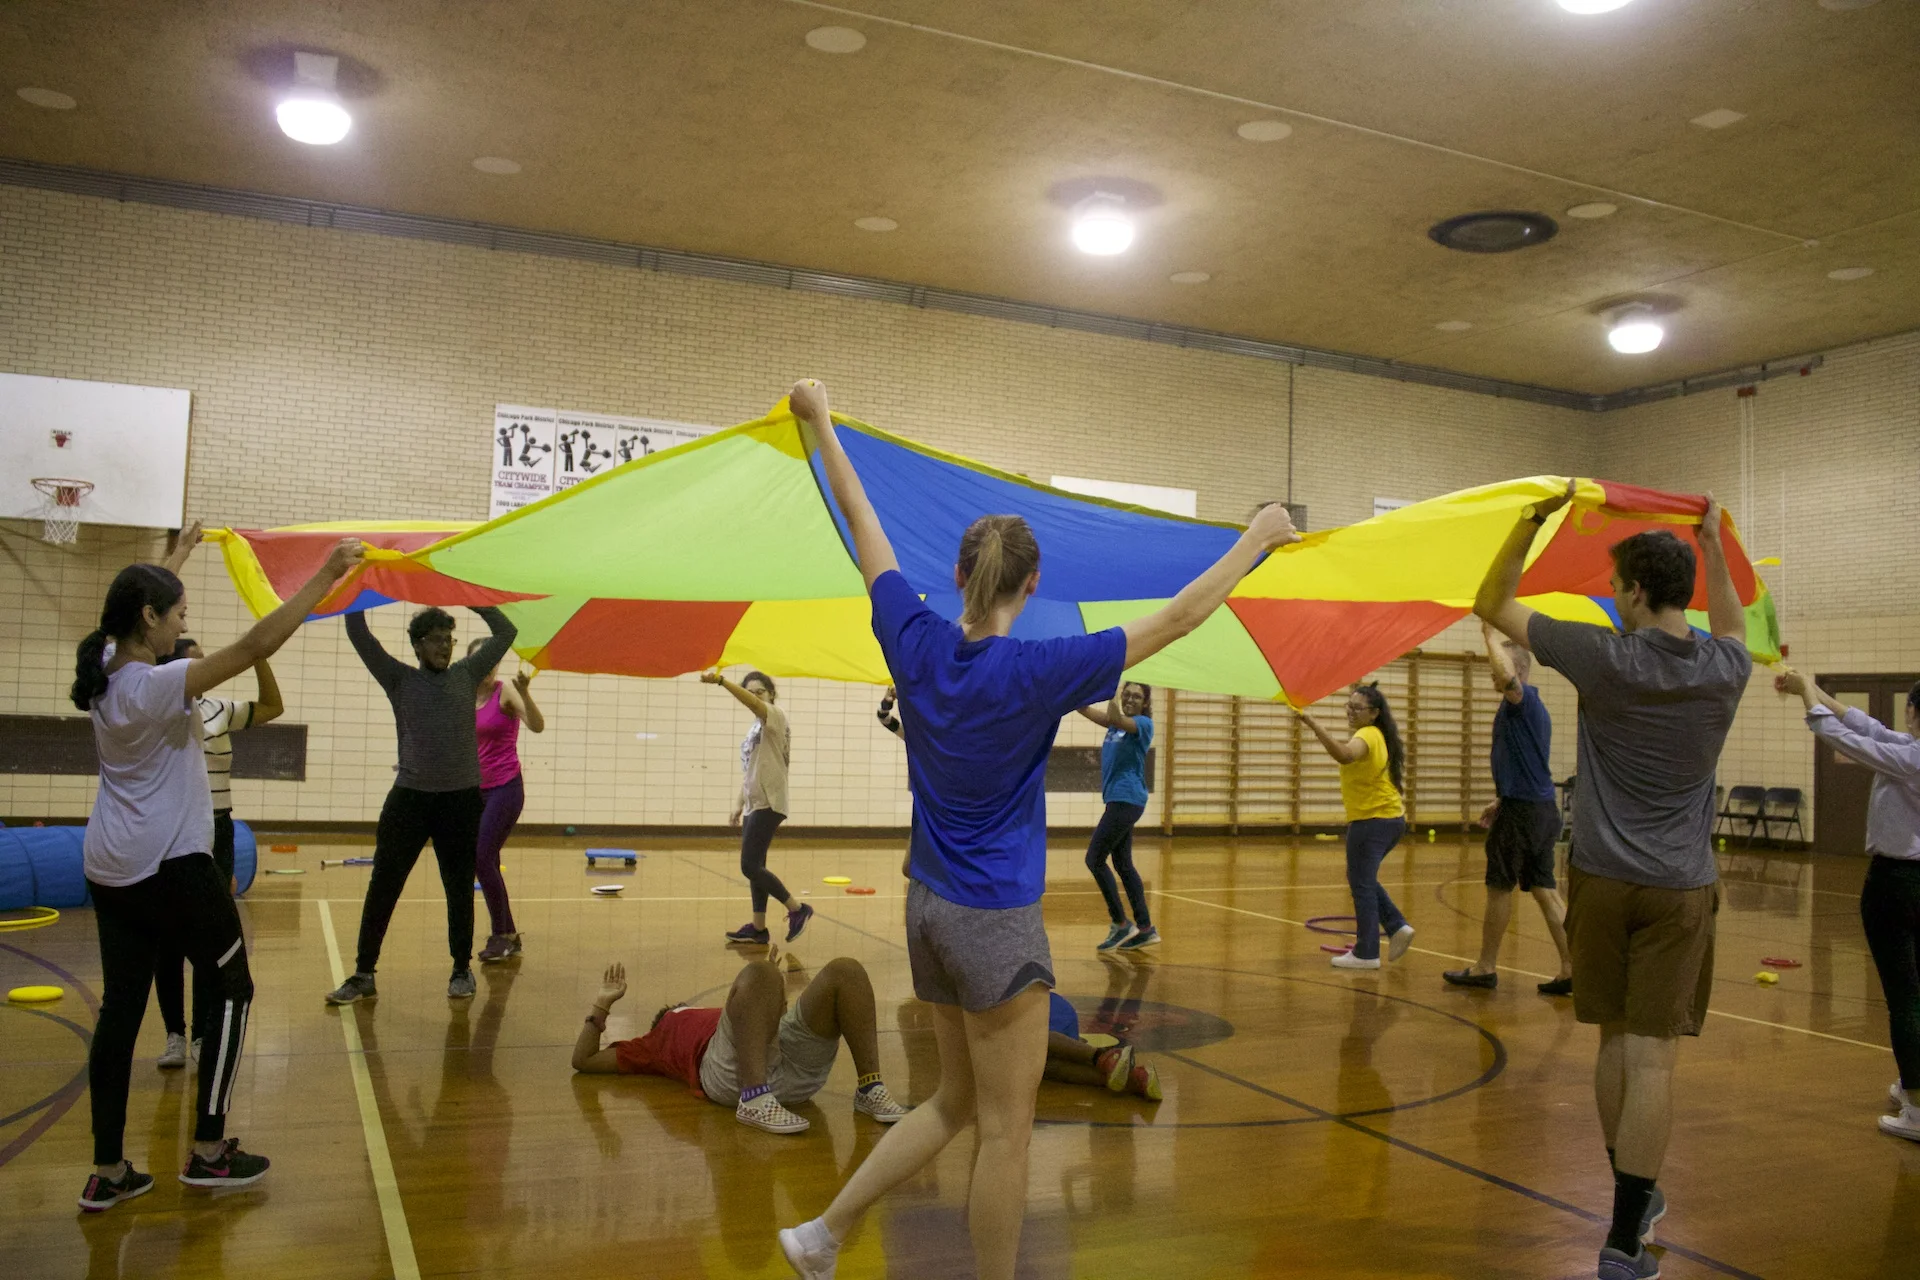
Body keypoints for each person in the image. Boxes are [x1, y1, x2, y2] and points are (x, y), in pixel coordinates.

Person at [776, 377, 1299, 1280]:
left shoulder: (913, 638)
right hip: (994, 921)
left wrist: (821, 421)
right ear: (1033, 584)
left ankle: (823, 1236)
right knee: (1007, 1133)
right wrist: (1255, 539)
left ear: (956, 577)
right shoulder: (1039, 670)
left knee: (955, 1104)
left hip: (927, 907)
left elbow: (865, 527)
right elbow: (1179, 616)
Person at [1476, 488, 1749, 1280]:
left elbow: (1490, 602)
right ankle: (1626, 1236)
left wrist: (1529, 522)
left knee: (1614, 1042)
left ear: (1632, 591)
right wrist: (1714, 545)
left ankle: (1631, 1196)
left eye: (1614, 585)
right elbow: (1733, 626)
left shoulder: (1603, 655)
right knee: (1654, 1059)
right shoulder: (1726, 667)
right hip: (1681, 887)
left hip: (1600, 881)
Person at [72, 536, 363, 1212]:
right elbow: (257, 645)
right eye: (177, 612)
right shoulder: (154, 684)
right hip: (170, 865)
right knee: (232, 986)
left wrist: (168, 563)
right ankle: (208, 1151)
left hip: (109, 866)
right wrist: (327, 572)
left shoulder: (105, 667)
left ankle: (108, 1170)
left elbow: (125, 614)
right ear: (149, 618)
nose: (184, 622)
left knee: (121, 1009)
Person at [326, 604, 518, 1005]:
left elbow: (506, 632)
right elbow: (359, 634)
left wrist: (471, 596)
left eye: (449, 639)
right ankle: (363, 973)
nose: (444, 647)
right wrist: (358, 588)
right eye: (435, 640)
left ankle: (461, 968)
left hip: (460, 801)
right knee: (384, 886)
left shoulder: (467, 674)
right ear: (416, 645)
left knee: (459, 888)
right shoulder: (398, 678)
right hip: (410, 799)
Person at [1776, 668, 1920, 1142]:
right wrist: (1811, 688)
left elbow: (1847, 739)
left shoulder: (1912, 758)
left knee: (1905, 997)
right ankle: (1913, 1081)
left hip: (1898, 883)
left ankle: (1918, 1108)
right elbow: (1867, 726)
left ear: (1913, 711)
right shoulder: (1910, 748)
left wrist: (1806, 698)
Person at [571, 950, 908, 1132]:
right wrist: (602, 1003)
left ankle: (870, 1088)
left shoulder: (720, 1017)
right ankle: (755, 1100)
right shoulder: (656, 1038)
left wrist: (769, 993)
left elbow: (763, 1018)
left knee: (845, 970)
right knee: (761, 972)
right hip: (735, 1078)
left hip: (788, 1068)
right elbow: (583, 1061)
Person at [149, 632, 283, 1068]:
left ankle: (203, 1034)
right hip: (173, 831)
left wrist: (259, 655)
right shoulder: (158, 711)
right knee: (169, 937)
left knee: (211, 936)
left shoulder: (219, 709)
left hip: (217, 829)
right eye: (196, 660)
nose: (206, 666)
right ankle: (174, 1034)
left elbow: (272, 707)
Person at [1444, 623, 1575, 995]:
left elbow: (1507, 679)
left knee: (1499, 886)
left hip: (1524, 813)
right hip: (1535, 808)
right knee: (1545, 889)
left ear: (1518, 671)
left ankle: (1485, 967)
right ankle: (1573, 968)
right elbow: (1525, 762)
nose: (1493, 674)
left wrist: (1489, 636)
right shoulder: (1523, 708)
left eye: (1498, 666)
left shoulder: (1523, 701)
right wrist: (1502, 798)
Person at [1298, 683, 1414, 970]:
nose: (1350, 712)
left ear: (1374, 713)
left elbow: (1345, 754)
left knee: (1361, 883)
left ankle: (1367, 952)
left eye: (1357, 708)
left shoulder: (1367, 734)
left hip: (1373, 821)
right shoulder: (1375, 734)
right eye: (1349, 706)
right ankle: (1396, 925)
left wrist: (1313, 723)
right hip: (1388, 820)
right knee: (1362, 877)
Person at [704, 667, 814, 946]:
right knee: (757, 867)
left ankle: (797, 909)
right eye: (750, 691)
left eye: (760, 691)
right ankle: (758, 928)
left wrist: (722, 681)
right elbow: (750, 771)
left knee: (749, 866)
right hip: (754, 803)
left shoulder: (775, 715)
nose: (754, 696)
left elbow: (753, 704)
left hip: (770, 801)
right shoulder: (755, 728)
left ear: (771, 694)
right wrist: (739, 804)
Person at [471, 640, 545, 963]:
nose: (489, 669)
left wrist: (525, 694)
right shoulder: (463, 695)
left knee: (482, 857)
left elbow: (537, 726)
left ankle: (502, 934)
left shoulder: (505, 693)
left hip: (505, 789)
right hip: (476, 791)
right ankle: (509, 934)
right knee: (484, 859)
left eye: (493, 662)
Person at [1074, 682, 1159, 951]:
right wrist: (1073, 694)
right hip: (1119, 801)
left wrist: (1110, 685)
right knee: (1123, 864)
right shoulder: (1115, 726)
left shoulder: (1143, 724)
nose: (1130, 699)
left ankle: (1121, 923)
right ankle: (1145, 928)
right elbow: (1088, 711)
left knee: (1094, 859)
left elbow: (1115, 717)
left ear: (1145, 703)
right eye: (1127, 694)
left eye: (1137, 696)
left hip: (1127, 799)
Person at [1043, 991, 1159, 1100]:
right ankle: (1131, 1079)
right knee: (1044, 1066)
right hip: (1053, 1014)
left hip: (1049, 1014)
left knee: (1039, 1043)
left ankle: (1105, 1058)